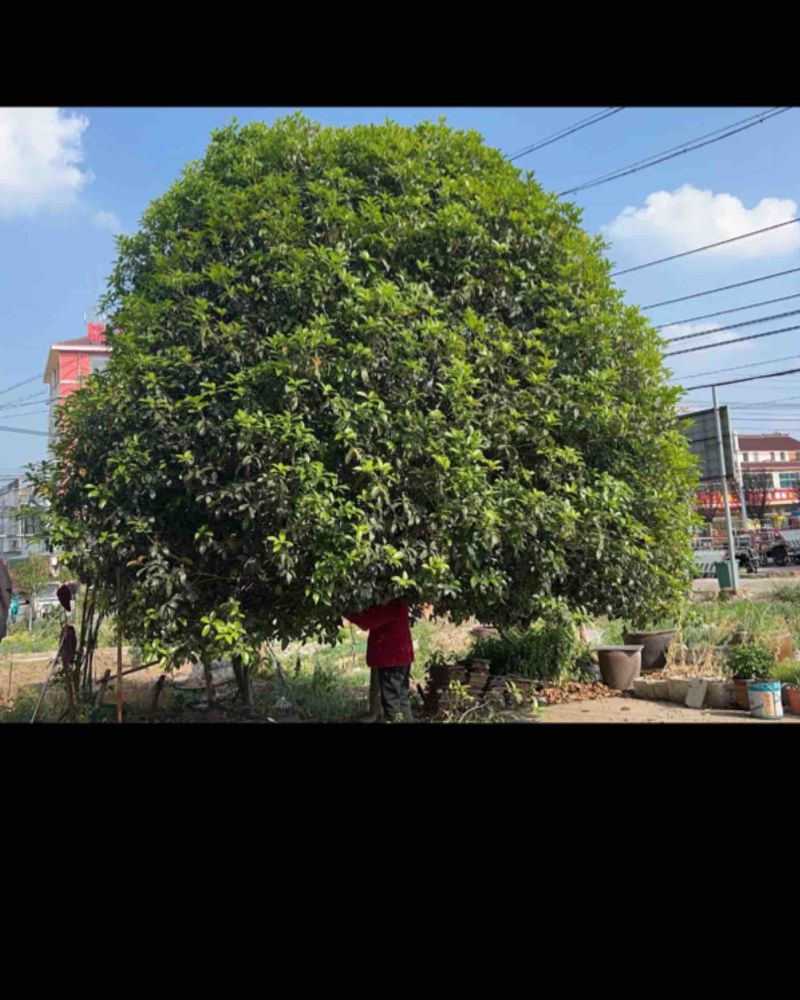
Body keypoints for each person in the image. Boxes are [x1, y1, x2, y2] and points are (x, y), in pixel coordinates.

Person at [346, 598, 414, 722]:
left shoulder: (391, 604)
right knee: (402, 701)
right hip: (400, 657)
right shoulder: (397, 602)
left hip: (392, 658)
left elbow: (366, 622)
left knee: (392, 702)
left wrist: (346, 612)